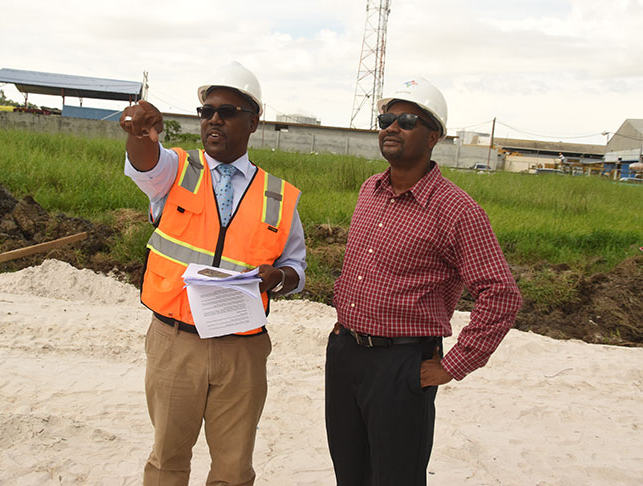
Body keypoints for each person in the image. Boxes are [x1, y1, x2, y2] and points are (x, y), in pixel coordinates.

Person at [325, 77, 522, 486]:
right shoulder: (370, 190)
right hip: (345, 354)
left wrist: (453, 365)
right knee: (349, 473)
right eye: (387, 119)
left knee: (396, 477)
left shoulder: (457, 210)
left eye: (407, 120)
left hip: (401, 366)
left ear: (433, 137)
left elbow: (501, 295)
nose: (392, 127)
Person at [119, 61, 306, 486]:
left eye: (227, 111)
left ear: (253, 122)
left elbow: (297, 269)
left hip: (242, 351)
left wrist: (277, 278)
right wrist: (137, 135)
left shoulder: (278, 195)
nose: (214, 119)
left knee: (234, 470)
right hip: (175, 342)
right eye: (207, 112)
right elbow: (145, 163)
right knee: (167, 460)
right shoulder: (177, 171)